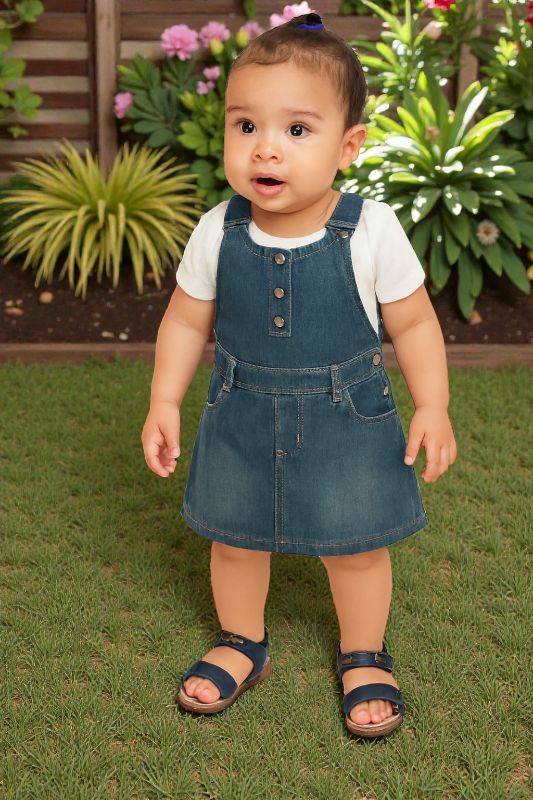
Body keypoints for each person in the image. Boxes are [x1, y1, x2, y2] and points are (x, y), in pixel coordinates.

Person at [141, 11, 457, 739]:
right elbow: (188, 320)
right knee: (234, 538)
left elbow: (410, 324)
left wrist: (431, 404)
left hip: (347, 419)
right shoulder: (217, 229)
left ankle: (363, 653)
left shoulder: (370, 228)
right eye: (245, 125)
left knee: (355, 547)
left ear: (348, 146)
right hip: (241, 414)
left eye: (295, 130)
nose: (265, 150)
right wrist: (164, 398)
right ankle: (240, 640)